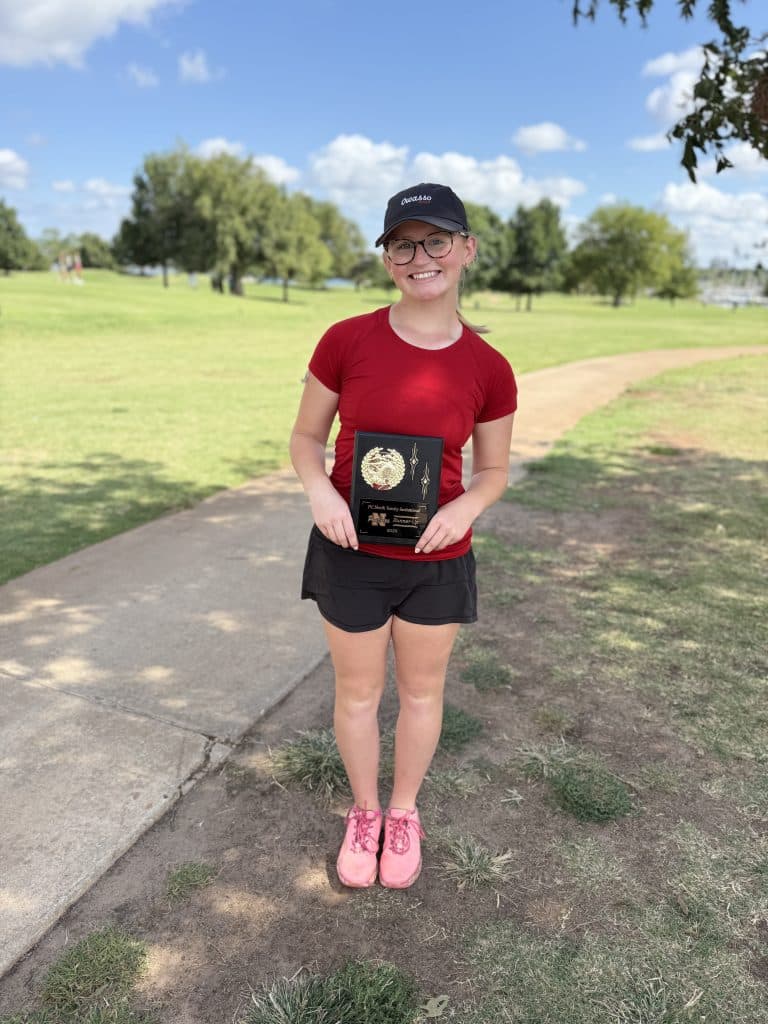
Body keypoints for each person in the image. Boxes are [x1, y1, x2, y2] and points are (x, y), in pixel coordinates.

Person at [290, 182, 517, 889]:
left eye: (436, 241)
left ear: (467, 249)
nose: (421, 258)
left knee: (421, 693)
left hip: (435, 560)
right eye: (403, 245)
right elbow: (305, 438)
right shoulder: (346, 339)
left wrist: (465, 508)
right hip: (350, 555)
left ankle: (404, 811)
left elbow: (494, 471)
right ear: (388, 258)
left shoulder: (489, 368)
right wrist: (320, 491)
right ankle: (364, 813)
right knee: (358, 695)